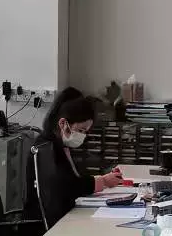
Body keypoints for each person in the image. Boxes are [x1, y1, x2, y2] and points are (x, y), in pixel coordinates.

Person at [33, 88, 125, 228]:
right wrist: (103, 181)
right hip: (48, 226)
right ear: (63, 123)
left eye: (85, 132)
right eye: (81, 130)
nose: (83, 136)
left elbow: (72, 180)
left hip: (61, 217)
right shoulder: (46, 148)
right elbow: (67, 186)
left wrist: (102, 179)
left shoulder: (59, 144)